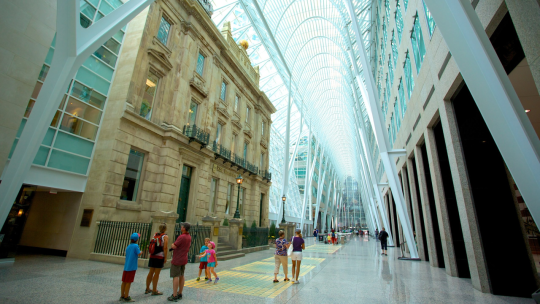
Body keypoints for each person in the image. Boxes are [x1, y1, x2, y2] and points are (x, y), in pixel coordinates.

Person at [168, 222, 191, 302]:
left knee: (175, 276)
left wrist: (171, 244)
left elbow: (174, 246)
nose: (181, 227)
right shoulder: (189, 237)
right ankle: (180, 293)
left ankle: (174, 295)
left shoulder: (181, 237)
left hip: (177, 259)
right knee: (181, 275)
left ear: (184, 228)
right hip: (184, 258)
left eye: (182, 226)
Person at [146, 223, 168, 296]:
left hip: (152, 256)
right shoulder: (165, 236)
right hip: (159, 256)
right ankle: (154, 290)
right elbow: (165, 247)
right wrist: (165, 257)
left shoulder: (155, 235)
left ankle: (147, 288)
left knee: (151, 272)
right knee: (157, 273)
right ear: (165, 229)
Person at [120, 232, 142, 302]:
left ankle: (122, 295)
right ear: (137, 239)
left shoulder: (128, 246)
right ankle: (126, 296)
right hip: (132, 267)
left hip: (126, 266)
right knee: (128, 282)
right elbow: (138, 253)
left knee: (124, 281)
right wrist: (142, 252)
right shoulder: (136, 246)